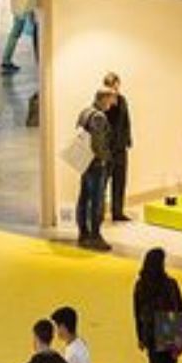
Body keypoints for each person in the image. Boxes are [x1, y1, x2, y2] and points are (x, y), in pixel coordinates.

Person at [133, 247, 182, 363]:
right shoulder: (170, 284)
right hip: (169, 335)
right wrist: (181, 341)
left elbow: (137, 312)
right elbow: (179, 310)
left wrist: (140, 337)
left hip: (151, 336)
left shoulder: (141, 286)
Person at [74, 88, 116, 251]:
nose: (111, 104)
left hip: (84, 162)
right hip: (96, 164)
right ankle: (95, 236)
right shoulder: (98, 116)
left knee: (84, 197)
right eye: (110, 100)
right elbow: (98, 143)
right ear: (103, 99)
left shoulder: (85, 112)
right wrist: (105, 158)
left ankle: (83, 233)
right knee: (97, 200)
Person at [103, 73, 134, 222]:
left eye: (116, 85)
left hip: (121, 147)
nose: (115, 89)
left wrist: (128, 140)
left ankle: (118, 212)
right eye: (111, 86)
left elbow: (126, 121)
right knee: (103, 182)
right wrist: (109, 104)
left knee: (120, 180)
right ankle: (98, 213)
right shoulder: (103, 102)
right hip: (107, 149)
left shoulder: (122, 100)